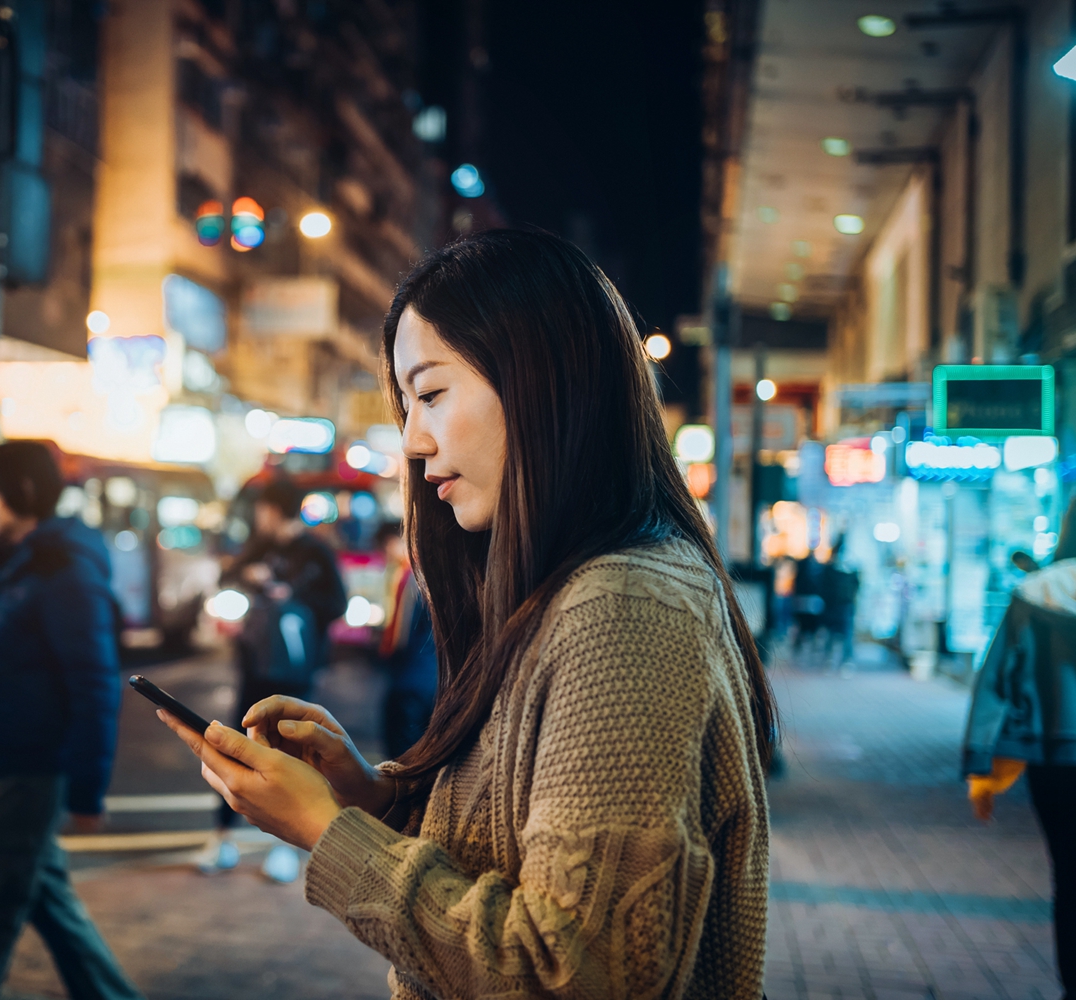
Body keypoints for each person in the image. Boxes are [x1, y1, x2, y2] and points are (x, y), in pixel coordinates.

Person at [159, 230, 775, 998]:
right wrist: (374, 798)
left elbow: (579, 970)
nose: (414, 441)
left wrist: (330, 834)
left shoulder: (623, 606)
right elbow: (518, 857)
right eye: (407, 403)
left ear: (540, 381)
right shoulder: (569, 588)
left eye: (433, 393)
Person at [0, 441, 143, 1000]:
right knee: (46, 899)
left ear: (20, 491)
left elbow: (94, 685)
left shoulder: (64, 571)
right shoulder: (25, 563)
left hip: (25, 770)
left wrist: (88, 790)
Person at [195, 478, 347, 880]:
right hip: (255, 663)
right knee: (234, 744)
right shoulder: (259, 549)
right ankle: (221, 838)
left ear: (276, 511)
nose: (258, 517)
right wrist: (251, 579)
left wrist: (291, 596)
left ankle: (287, 850)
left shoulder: (316, 552)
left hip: (295, 669)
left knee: (291, 754)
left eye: (263, 510)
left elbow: (337, 604)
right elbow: (228, 581)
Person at [964, 500, 1076, 999]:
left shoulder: (1036, 592)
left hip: (1053, 762)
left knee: (1068, 876)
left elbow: (995, 683)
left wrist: (979, 764)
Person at [375, 521, 437, 759]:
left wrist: (380, 650)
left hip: (408, 680)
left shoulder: (409, 577)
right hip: (432, 677)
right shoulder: (434, 573)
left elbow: (399, 638)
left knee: (401, 754)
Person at [821, 538, 860, 668]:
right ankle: (829, 658)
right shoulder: (831, 569)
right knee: (832, 633)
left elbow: (856, 586)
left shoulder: (851, 570)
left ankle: (846, 660)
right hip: (834, 606)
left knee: (846, 634)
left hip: (846, 605)